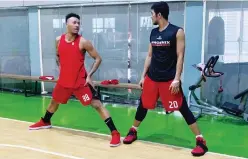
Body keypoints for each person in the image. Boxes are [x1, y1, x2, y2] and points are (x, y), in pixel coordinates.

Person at [122, 1, 208, 157]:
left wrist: (177, 78)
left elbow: (180, 56)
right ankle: (133, 131)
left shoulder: (177, 32)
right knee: (143, 105)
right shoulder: (153, 33)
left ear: (159, 15)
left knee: (182, 107)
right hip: (152, 78)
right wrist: (143, 76)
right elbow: (150, 55)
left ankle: (201, 141)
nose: (151, 16)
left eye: (151, 14)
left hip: (169, 79)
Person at [29, 13, 121, 147]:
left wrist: (89, 75)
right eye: (74, 22)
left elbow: (98, 58)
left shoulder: (83, 42)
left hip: (80, 82)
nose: (77, 25)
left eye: (78, 23)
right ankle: (45, 121)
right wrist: (62, 70)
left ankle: (115, 133)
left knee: (96, 105)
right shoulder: (58, 40)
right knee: (54, 102)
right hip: (64, 81)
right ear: (66, 24)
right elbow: (57, 56)